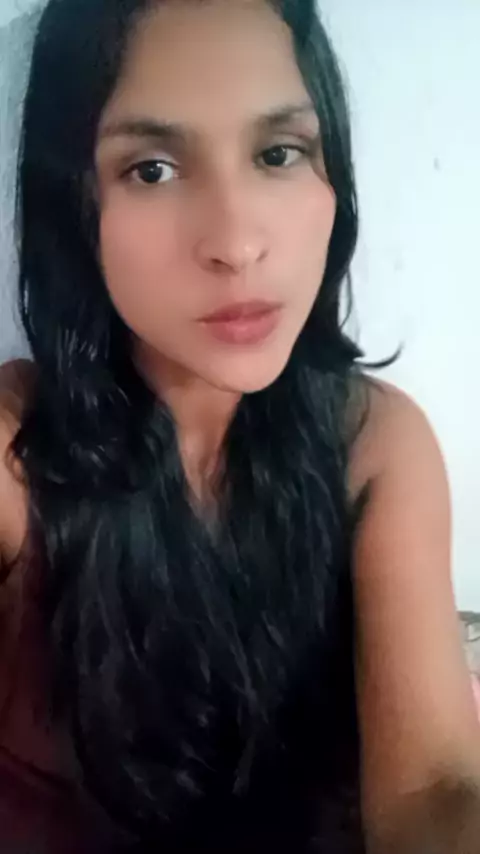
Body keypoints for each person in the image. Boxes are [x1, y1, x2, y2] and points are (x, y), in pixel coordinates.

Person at [0, 1, 479, 852]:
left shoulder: (373, 444)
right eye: (152, 168)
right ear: (73, 201)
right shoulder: (14, 450)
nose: (236, 242)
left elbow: (434, 789)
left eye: (278, 153)